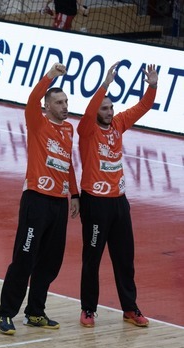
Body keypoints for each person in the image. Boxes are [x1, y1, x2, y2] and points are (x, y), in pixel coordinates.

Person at [0, 63, 79, 335]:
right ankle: (6, 313)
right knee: (24, 258)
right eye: (59, 102)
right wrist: (51, 76)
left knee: (50, 261)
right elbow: (32, 99)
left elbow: (67, 163)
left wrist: (74, 193)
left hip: (59, 201)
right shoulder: (37, 121)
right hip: (36, 199)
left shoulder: (68, 130)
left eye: (66, 101)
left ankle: (35, 312)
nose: (65, 106)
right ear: (47, 106)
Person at [77, 62, 157, 328]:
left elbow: (142, 107)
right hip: (95, 203)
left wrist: (153, 86)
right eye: (104, 108)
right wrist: (104, 85)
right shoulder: (87, 130)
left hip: (119, 203)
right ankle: (88, 309)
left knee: (124, 258)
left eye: (111, 107)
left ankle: (130, 308)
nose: (109, 112)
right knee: (92, 258)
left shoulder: (119, 124)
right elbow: (89, 111)